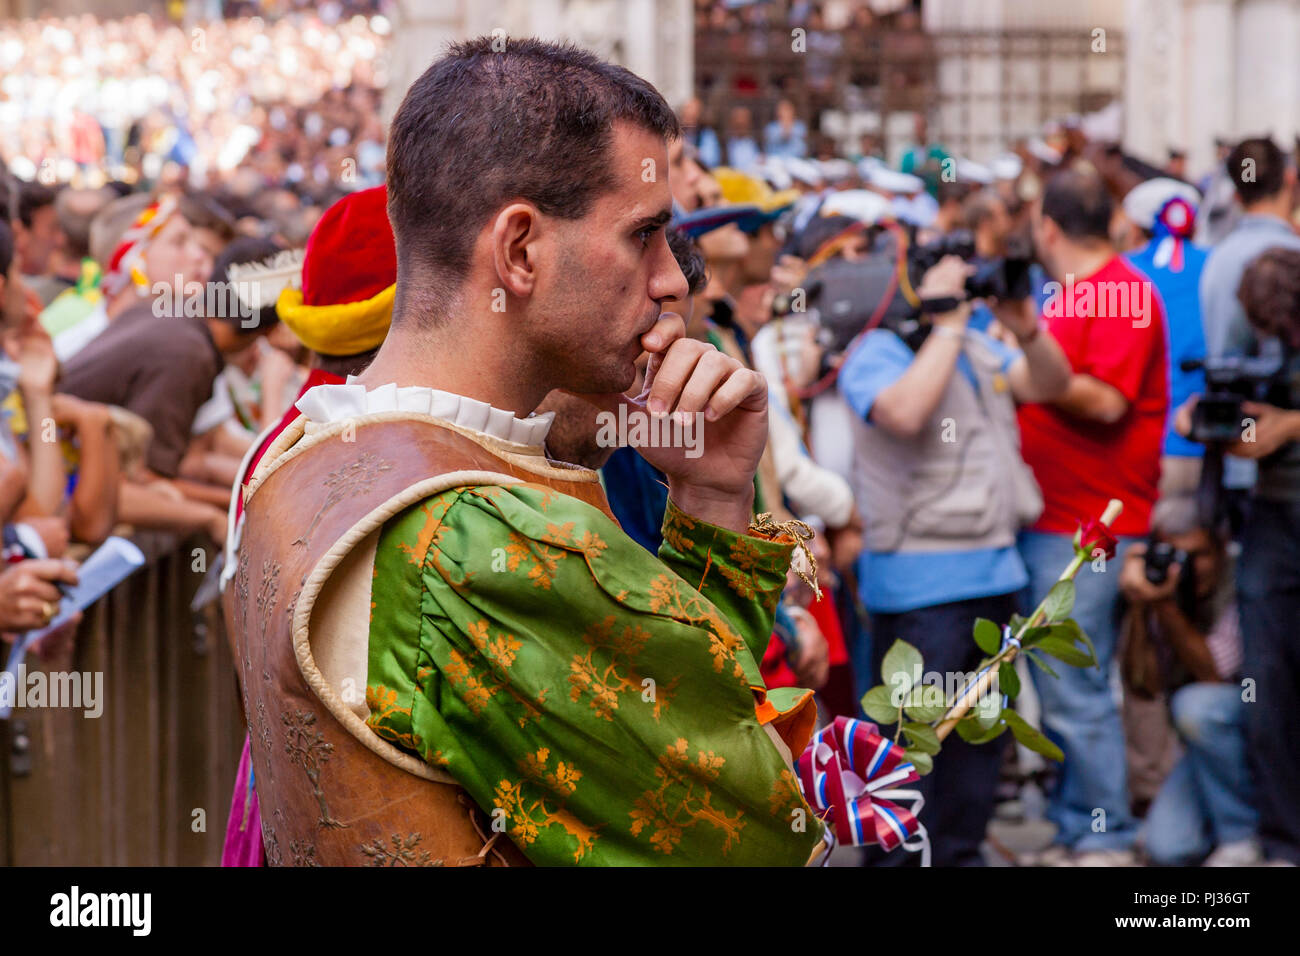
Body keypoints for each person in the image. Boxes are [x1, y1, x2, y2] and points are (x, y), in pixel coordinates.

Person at [229, 37, 824, 867]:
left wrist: (714, 496)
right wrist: (720, 519)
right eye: (644, 234)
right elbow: (744, 827)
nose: (674, 281)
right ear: (518, 251)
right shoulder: (474, 542)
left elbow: (686, 729)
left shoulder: (305, 449)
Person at [837, 252, 1070, 865]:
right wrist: (945, 323)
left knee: (977, 750)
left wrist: (1025, 325)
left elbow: (1051, 384)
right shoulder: (876, 352)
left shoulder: (976, 347)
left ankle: (962, 855)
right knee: (910, 755)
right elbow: (905, 413)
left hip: (997, 576)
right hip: (919, 590)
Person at [1016, 169, 1169, 865]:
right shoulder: (1079, 293)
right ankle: (1081, 820)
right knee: (1062, 682)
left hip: (1088, 523)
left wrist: (1017, 377)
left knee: (1077, 687)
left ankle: (1103, 835)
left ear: (1048, 227)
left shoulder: (1125, 293)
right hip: (1058, 515)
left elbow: (1108, 402)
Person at [1116, 495, 1257, 866]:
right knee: (1168, 848)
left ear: (1222, 547)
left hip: (1254, 728)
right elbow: (1142, 684)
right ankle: (1229, 818)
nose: (1189, 567)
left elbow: (1215, 677)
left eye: (1200, 554)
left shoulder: (1245, 578)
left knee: (1197, 707)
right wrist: (1140, 607)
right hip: (1210, 749)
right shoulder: (1161, 584)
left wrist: (1166, 609)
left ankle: (1241, 836)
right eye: (1175, 555)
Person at [1121, 177, 1209, 499]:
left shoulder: (1120, 274)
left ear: (1135, 228)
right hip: (1205, 442)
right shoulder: (1216, 265)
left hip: (1136, 447)